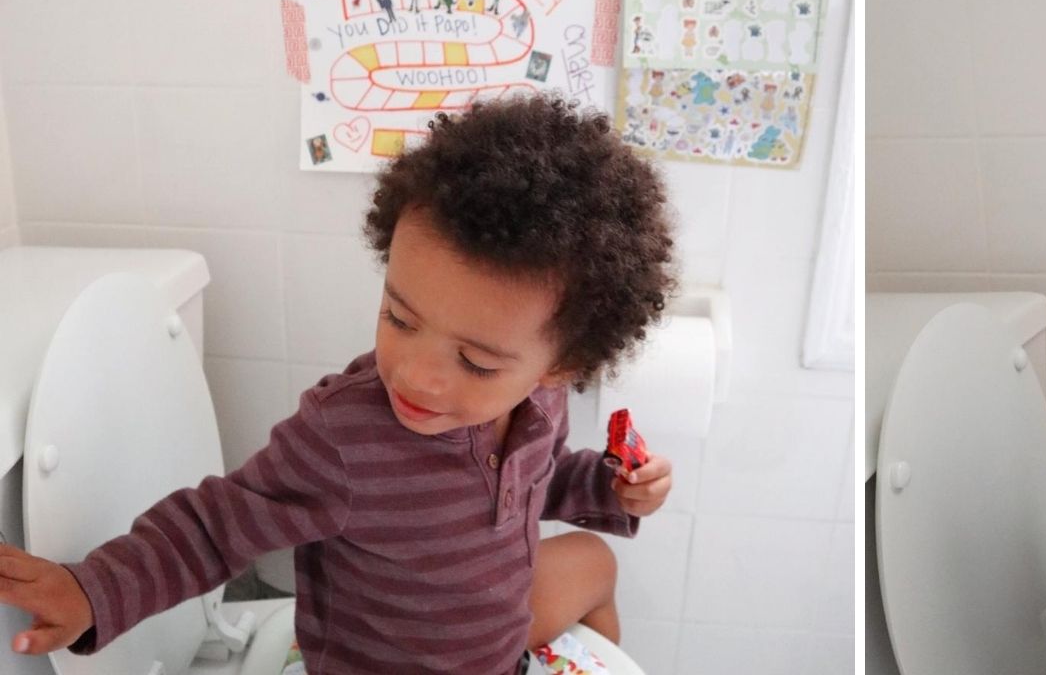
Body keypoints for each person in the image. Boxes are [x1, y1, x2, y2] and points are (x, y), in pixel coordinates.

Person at [0, 97, 679, 673]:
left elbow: (535, 480)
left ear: (559, 367)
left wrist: (605, 486)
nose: (416, 374)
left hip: (491, 648)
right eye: (399, 316)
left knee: (594, 557)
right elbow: (215, 528)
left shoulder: (541, 403)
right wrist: (93, 590)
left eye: (475, 362)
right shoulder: (343, 438)